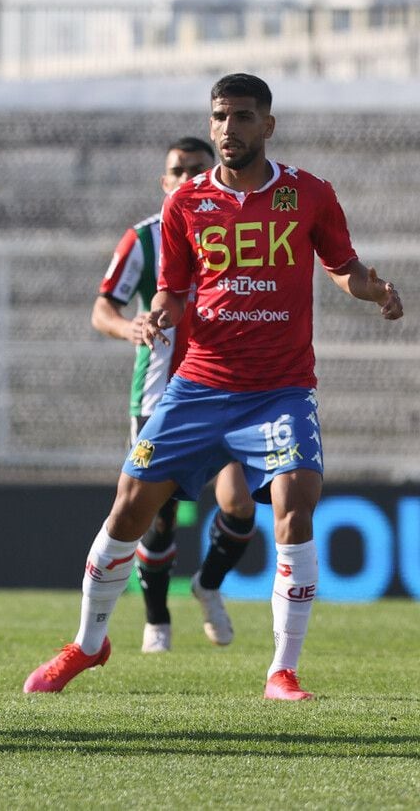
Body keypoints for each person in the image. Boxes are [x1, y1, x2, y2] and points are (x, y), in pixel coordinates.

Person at [25, 73, 403, 700]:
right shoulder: (186, 205)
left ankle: (282, 670)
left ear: (268, 126)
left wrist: (374, 291)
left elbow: (344, 267)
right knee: (128, 508)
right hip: (200, 383)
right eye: (222, 116)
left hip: (280, 388)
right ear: (211, 124)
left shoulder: (307, 195)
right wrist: (156, 315)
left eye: (245, 116)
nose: (231, 128)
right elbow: (173, 289)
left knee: (296, 501)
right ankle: (88, 645)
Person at [93, 136, 257, 654]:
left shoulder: (237, 232)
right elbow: (102, 309)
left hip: (229, 388)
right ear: (165, 182)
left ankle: (207, 585)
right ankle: (158, 621)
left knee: (240, 505)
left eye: (196, 170)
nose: (187, 179)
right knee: (156, 518)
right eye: (177, 171)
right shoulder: (143, 239)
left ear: (214, 176)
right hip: (161, 395)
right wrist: (130, 327)